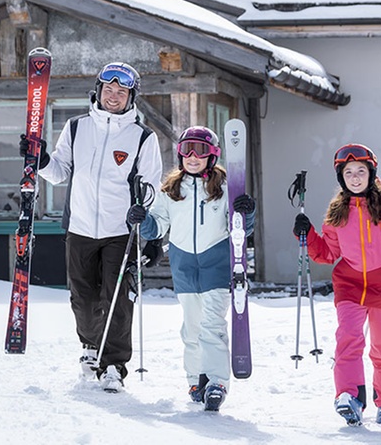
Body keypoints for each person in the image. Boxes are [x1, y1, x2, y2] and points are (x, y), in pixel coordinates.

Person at [21, 62, 163, 393]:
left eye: (121, 91)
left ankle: (113, 365)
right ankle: (90, 346)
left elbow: (151, 189)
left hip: (120, 232)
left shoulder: (142, 137)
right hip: (81, 226)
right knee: (82, 299)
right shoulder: (76, 128)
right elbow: (59, 172)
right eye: (108, 89)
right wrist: (40, 159)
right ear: (98, 91)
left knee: (116, 298)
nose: (113, 96)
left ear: (131, 97)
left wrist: (152, 233)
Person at [126, 125, 256, 411]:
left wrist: (247, 212)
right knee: (192, 329)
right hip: (184, 266)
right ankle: (197, 378)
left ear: (212, 156)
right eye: (187, 151)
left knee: (211, 326)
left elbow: (239, 229)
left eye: (200, 151)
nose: (193, 157)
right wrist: (142, 218)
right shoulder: (171, 190)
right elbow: (157, 226)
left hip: (217, 265)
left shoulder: (223, 189)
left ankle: (217, 382)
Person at [292, 144, 381, 426]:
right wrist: (307, 235)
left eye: (361, 171)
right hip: (350, 284)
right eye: (349, 172)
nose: (355, 177)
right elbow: (327, 254)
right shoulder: (337, 212)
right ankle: (349, 396)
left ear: (371, 173)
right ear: (342, 178)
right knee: (348, 339)